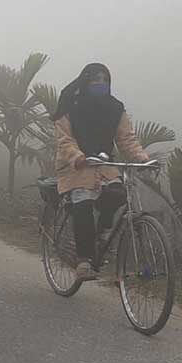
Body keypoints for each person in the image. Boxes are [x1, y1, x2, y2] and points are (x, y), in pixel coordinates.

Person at [52, 63, 150, 280]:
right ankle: (84, 260)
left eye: (104, 80)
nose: (100, 84)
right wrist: (77, 157)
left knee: (118, 194)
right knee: (83, 202)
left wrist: (141, 158)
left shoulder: (115, 108)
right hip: (75, 165)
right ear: (85, 82)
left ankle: (102, 232)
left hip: (104, 164)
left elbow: (126, 138)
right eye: (95, 80)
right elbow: (64, 140)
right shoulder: (71, 105)